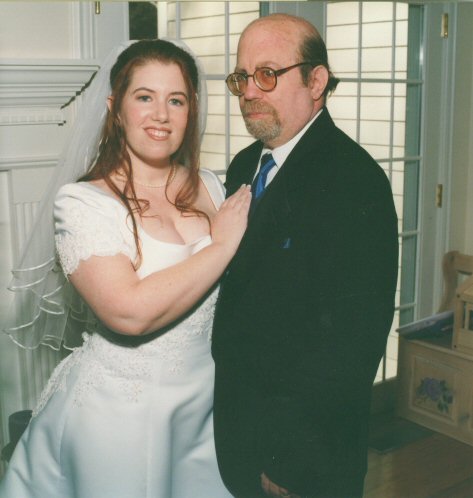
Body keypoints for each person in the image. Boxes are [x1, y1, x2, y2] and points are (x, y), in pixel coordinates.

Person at [0, 39, 250, 498]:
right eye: (145, 97)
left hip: (205, 410)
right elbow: (128, 313)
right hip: (119, 413)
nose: (161, 115)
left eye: (176, 100)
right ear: (115, 108)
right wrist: (221, 246)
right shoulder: (83, 203)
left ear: (191, 110)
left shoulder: (213, 187)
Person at [211, 13, 399, 498]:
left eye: (267, 74)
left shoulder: (355, 182)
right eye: (241, 77)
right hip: (240, 435)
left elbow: (351, 344)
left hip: (302, 458)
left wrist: (289, 462)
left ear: (316, 82)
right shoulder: (244, 164)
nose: (249, 92)